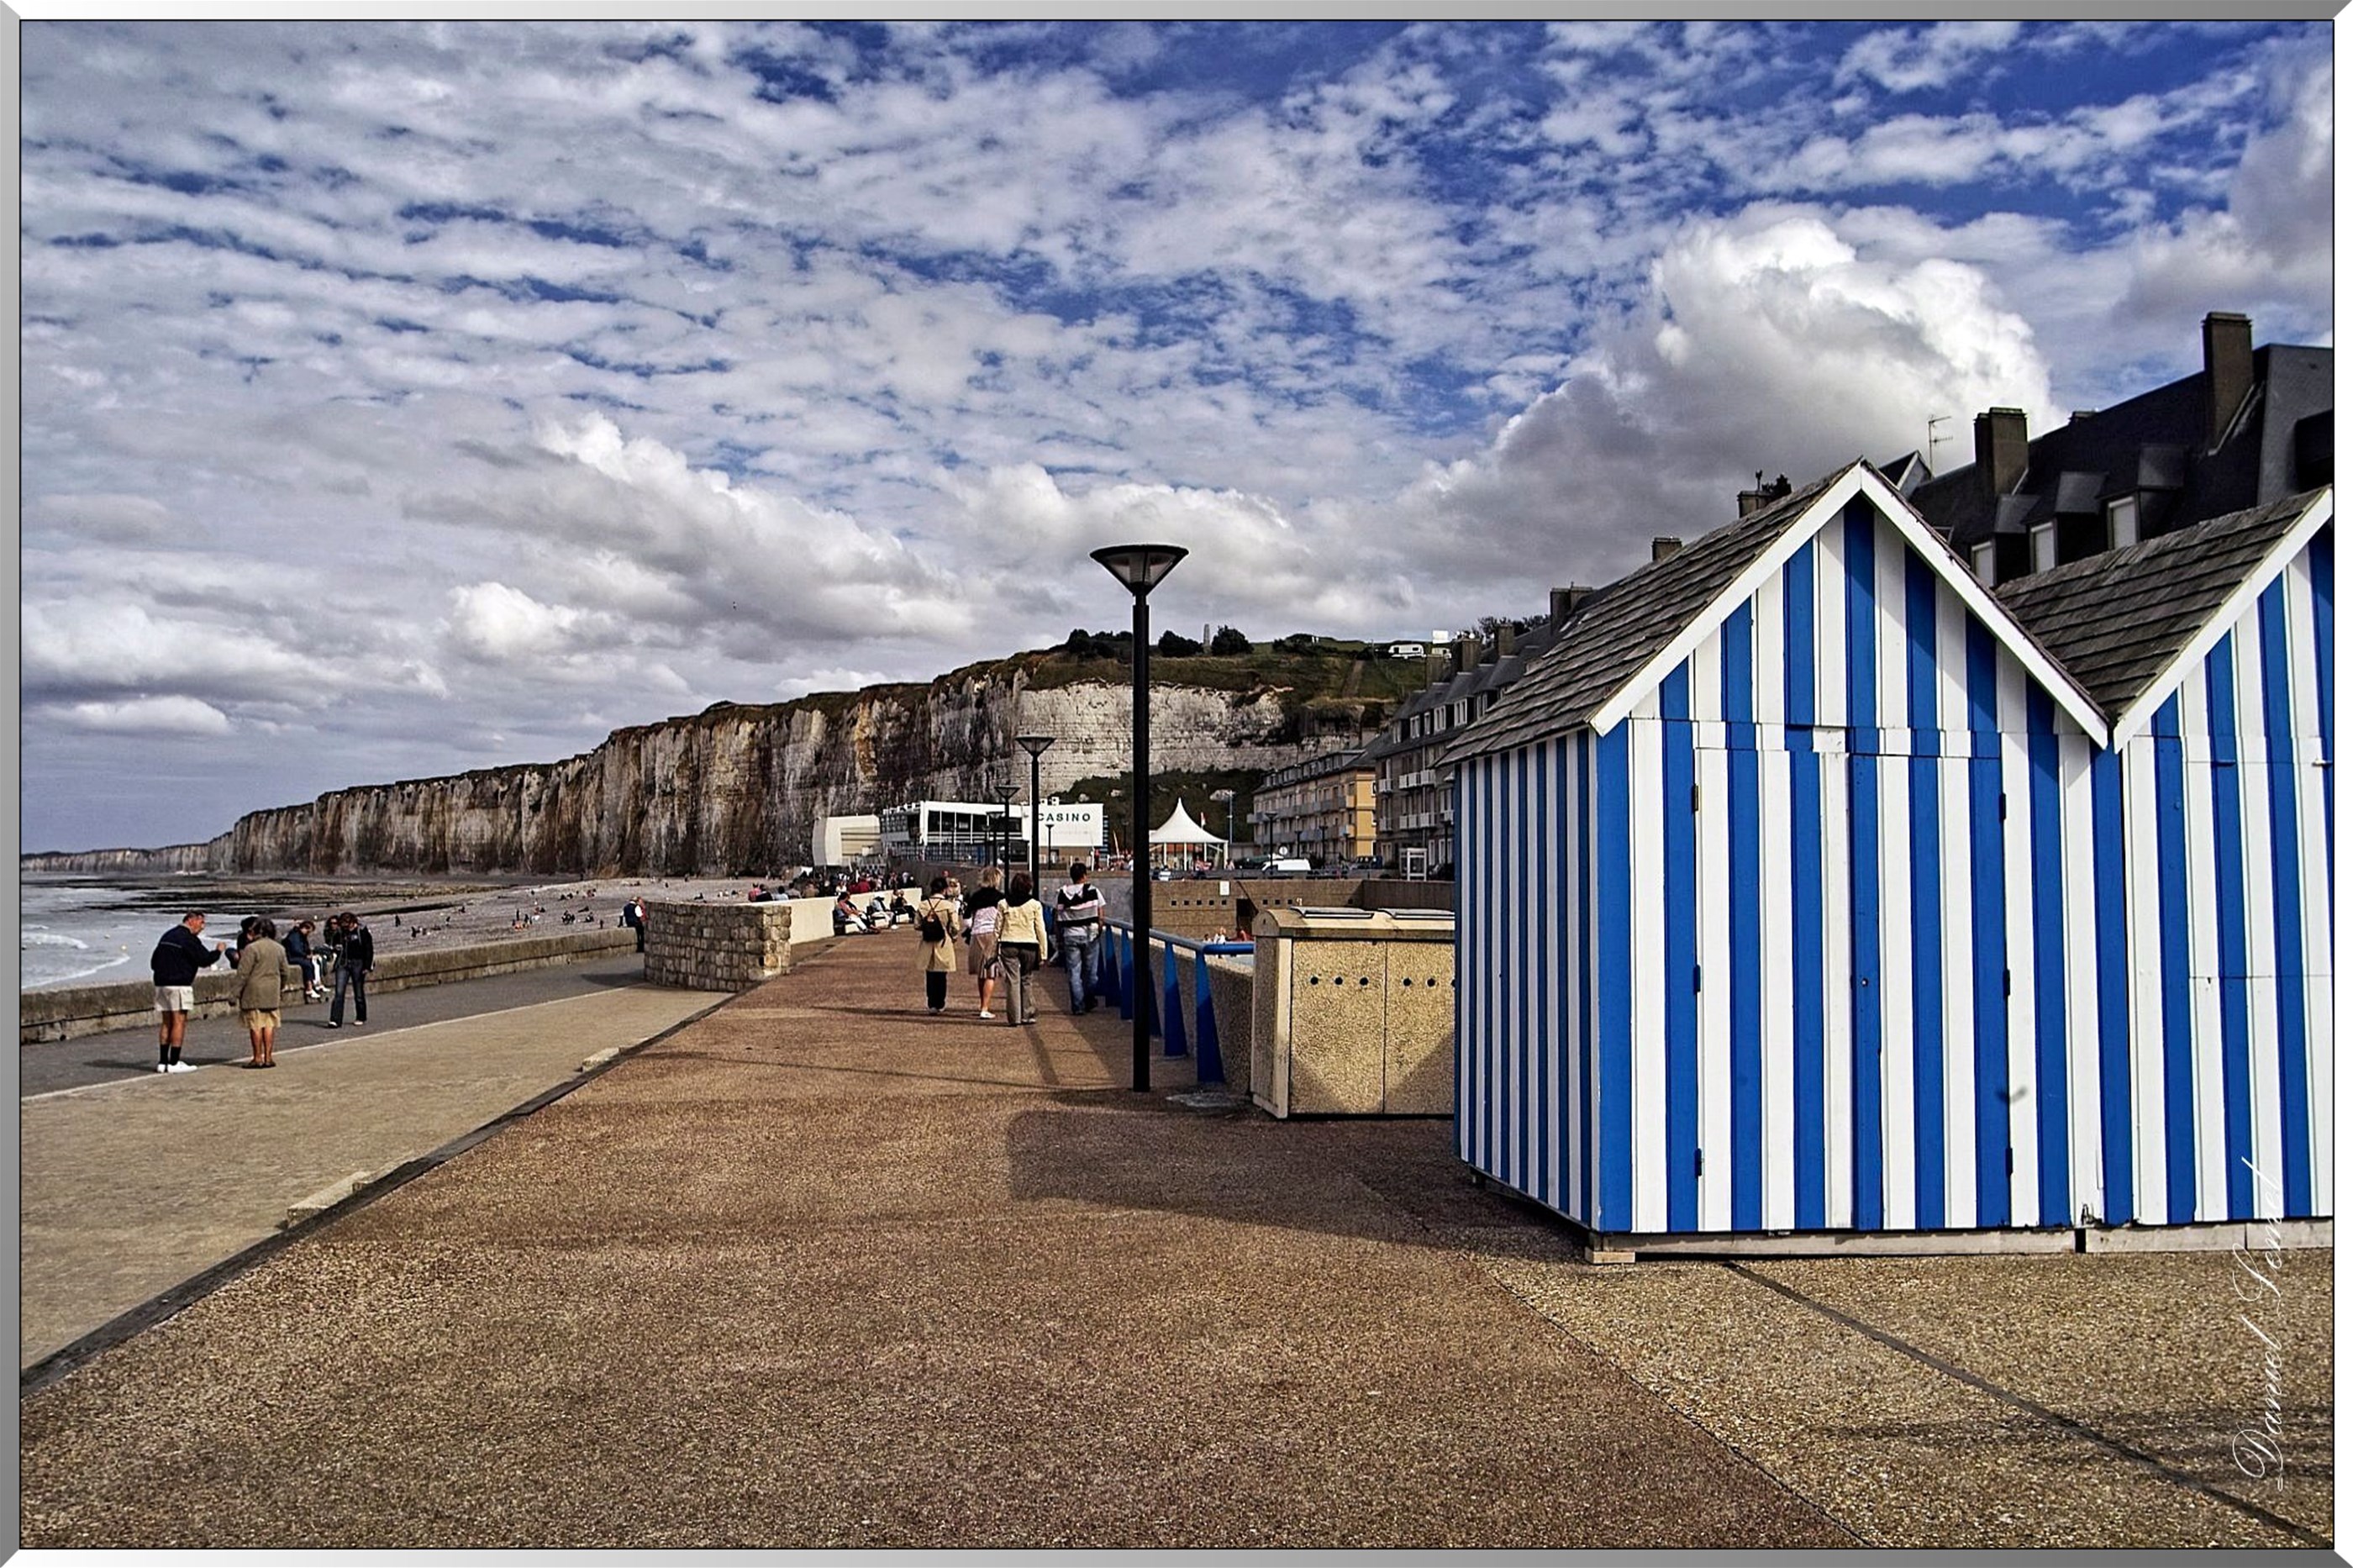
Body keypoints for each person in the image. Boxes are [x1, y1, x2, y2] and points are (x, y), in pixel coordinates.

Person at [149, 911, 228, 1073]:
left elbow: (154, 962)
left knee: (166, 1022)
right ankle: (174, 1062)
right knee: (179, 1021)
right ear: (191, 920)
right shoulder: (188, 939)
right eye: (201, 922)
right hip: (179, 984)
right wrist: (218, 951)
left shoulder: (167, 936)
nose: (202, 927)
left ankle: (163, 1062)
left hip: (161, 983)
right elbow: (204, 960)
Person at [996, 872, 1049, 1026]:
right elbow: (1040, 930)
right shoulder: (1035, 905)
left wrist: (994, 949)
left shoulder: (1003, 903)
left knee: (1012, 980)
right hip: (1029, 945)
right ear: (1029, 886)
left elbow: (997, 929)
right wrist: (1043, 953)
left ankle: (1014, 1018)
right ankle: (1027, 1014)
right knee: (1026, 979)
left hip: (1008, 944)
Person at [1053, 861, 1106, 1015]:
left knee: (1074, 973)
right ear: (1084, 875)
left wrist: (1059, 938)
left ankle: (1078, 1006)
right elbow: (1101, 915)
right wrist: (1099, 929)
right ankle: (1089, 999)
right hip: (1090, 935)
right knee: (1091, 973)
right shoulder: (1093, 891)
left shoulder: (1062, 893)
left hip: (1070, 935)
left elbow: (1057, 917)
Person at [235, 918, 288, 1067]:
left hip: (254, 990)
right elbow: (285, 972)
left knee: (256, 1025)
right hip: (272, 990)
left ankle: (257, 1058)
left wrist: (235, 993)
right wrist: (280, 987)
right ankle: (268, 1058)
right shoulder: (279, 948)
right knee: (269, 1025)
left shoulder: (252, 948)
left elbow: (243, 973)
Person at [913, 876, 963, 1014]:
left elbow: (917, 925)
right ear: (944, 890)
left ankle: (932, 1003)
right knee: (941, 974)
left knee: (930, 974)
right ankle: (940, 1003)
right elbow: (955, 926)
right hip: (943, 941)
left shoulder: (923, 905)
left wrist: (928, 927)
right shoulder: (948, 906)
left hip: (927, 941)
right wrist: (953, 936)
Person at [964, 866, 1005, 1018]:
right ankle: (985, 1008)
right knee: (990, 973)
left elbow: (966, 919)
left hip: (976, 935)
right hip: (992, 936)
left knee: (981, 973)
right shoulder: (1001, 898)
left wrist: (975, 925)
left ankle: (983, 1004)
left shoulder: (975, 896)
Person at [328, 911, 374, 1029]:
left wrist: (367, 966)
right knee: (339, 992)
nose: (346, 928)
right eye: (343, 926)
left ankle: (361, 1016)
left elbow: (368, 949)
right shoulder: (340, 932)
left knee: (358, 992)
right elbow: (334, 944)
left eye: (347, 926)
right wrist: (336, 948)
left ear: (353, 922)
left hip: (358, 963)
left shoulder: (362, 932)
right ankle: (335, 1020)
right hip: (343, 963)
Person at [284, 918, 320, 1001]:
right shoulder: (295, 936)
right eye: (308, 931)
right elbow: (296, 950)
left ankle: (315, 984)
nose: (308, 934)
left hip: (297, 956)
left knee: (315, 962)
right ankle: (309, 988)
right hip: (292, 957)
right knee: (307, 965)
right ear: (304, 928)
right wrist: (306, 956)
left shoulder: (301, 936)